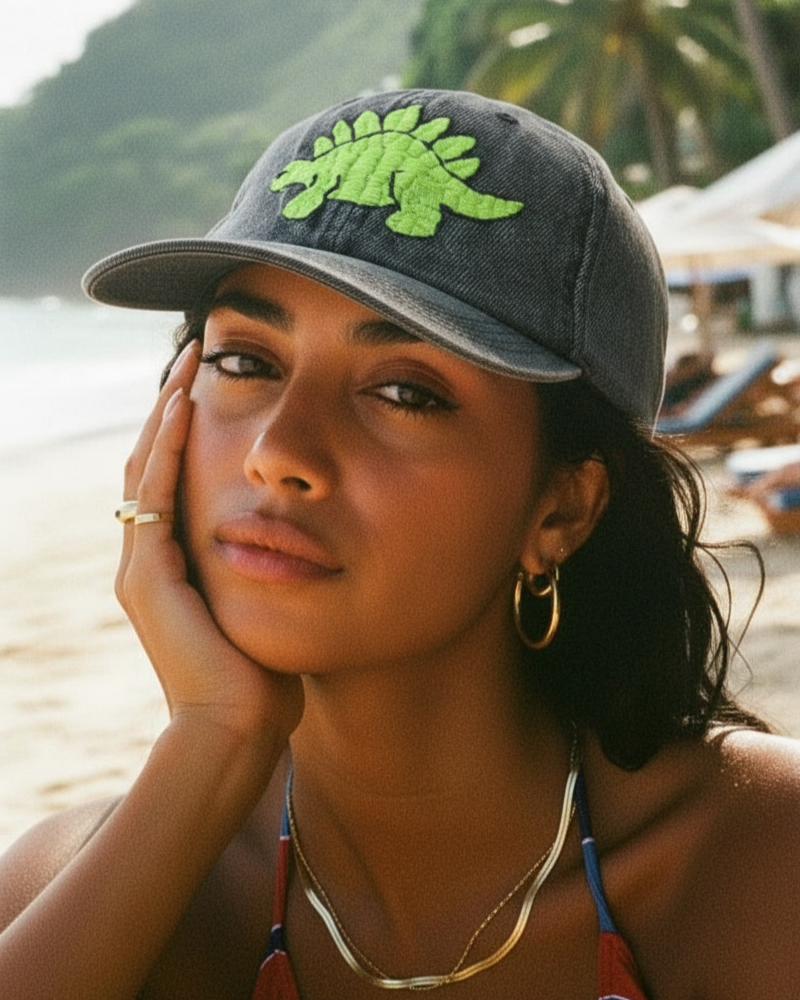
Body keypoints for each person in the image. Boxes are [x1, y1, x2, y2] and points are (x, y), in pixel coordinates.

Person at [0, 89, 798, 1000]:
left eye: (404, 392)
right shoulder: (77, 896)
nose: (278, 455)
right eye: (245, 361)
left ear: (562, 510)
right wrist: (210, 744)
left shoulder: (762, 867)